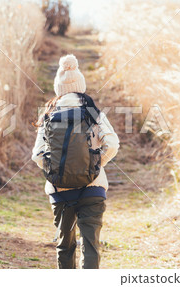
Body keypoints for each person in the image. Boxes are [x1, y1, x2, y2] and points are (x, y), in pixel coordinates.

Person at [31, 54, 120, 269]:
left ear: (57, 88)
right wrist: (94, 166)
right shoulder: (92, 113)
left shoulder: (49, 115)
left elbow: (37, 155)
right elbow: (113, 145)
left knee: (65, 245)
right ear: (81, 85)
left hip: (59, 190)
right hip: (93, 188)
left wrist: (57, 169)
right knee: (91, 246)